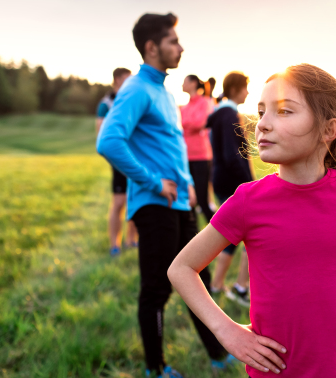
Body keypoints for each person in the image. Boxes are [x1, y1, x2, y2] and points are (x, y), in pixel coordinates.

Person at [168, 64, 336, 377]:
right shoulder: (247, 201)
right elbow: (181, 268)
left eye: (284, 111)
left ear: (329, 130)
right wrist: (226, 331)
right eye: (261, 111)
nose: (262, 124)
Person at [96, 13, 233, 378]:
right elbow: (108, 141)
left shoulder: (163, 90)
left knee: (197, 282)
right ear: (152, 47)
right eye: (173, 40)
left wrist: (187, 183)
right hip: (154, 204)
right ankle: (155, 368)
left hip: (179, 202)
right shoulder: (137, 89)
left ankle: (218, 354)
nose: (181, 46)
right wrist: (154, 182)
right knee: (157, 289)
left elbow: (170, 147)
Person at [207, 72, 254, 306]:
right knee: (251, 236)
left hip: (223, 179)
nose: (248, 92)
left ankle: (217, 286)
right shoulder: (228, 115)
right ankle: (239, 288)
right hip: (230, 181)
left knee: (233, 237)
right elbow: (231, 154)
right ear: (235, 88)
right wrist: (248, 182)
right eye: (246, 87)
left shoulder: (223, 113)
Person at [96, 68, 138, 257]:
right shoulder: (106, 104)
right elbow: (101, 136)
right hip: (120, 161)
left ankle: (132, 240)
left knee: (135, 201)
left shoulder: (133, 100)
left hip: (136, 159)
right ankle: (115, 244)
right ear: (118, 80)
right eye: (127, 79)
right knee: (119, 202)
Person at [180, 75, 215, 222]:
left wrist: (186, 125)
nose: (182, 84)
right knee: (189, 200)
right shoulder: (184, 106)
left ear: (193, 83)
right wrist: (189, 125)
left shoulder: (205, 102)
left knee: (202, 199)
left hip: (201, 156)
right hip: (185, 157)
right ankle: (192, 235)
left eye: (184, 81)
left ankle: (221, 235)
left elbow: (200, 123)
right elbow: (179, 126)